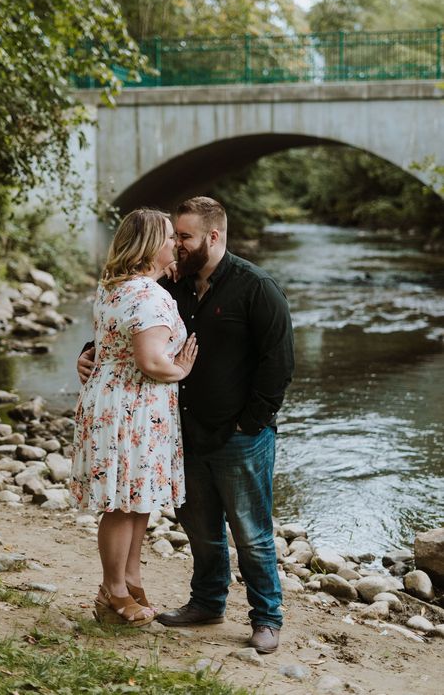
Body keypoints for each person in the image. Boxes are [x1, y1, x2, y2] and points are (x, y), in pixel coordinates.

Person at [78, 197, 294, 652]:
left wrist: (250, 423)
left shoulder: (257, 287)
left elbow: (279, 362)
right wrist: (90, 350)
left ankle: (266, 618)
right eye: (172, 236)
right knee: (200, 529)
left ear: (213, 237)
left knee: (252, 534)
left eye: (185, 236)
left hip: (239, 434)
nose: (177, 244)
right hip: (180, 429)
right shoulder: (171, 285)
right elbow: (130, 326)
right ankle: (207, 603)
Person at [71, 208, 197, 626]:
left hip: (116, 402)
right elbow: (149, 361)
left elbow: (111, 346)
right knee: (123, 505)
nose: (174, 245)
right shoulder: (148, 294)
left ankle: (130, 578)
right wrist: (180, 369)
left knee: (136, 499)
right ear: (148, 248)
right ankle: (113, 591)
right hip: (133, 408)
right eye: (167, 239)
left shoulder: (115, 287)